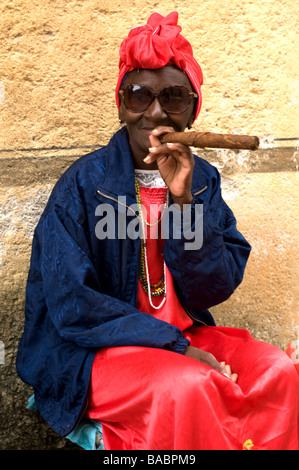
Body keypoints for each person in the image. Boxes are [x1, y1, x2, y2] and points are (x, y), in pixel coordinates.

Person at [17, 11, 299, 450]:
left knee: (276, 372)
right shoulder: (83, 183)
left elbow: (212, 289)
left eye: (173, 97)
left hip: (183, 336)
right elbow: (73, 304)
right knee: (189, 387)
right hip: (95, 351)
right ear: (120, 104)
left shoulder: (202, 178)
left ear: (192, 110)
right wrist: (175, 347)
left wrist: (184, 202)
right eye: (137, 96)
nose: (153, 112)